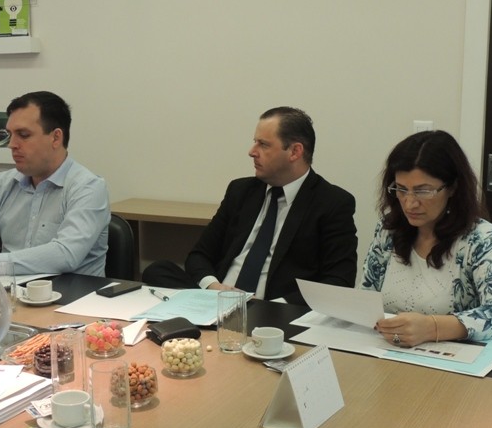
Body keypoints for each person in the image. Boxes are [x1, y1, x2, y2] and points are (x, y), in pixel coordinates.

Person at [143, 106, 358, 304]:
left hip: (274, 310)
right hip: (218, 300)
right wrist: (214, 288)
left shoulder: (332, 203)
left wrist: (274, 307)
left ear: (295, 152)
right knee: (158, 270)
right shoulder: (241, 191)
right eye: (255, 142)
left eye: (263, 144)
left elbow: (339, 281)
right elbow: (199, 255)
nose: (252, 151)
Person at [363, 130, 492, 347]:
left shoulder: (481, 239)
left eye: (423, 191)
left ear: (452, 188)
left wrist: (431, 328)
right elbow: (367, 296)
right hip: (386, 351)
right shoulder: (389, 230)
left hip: (451, 360)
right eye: (401, 189)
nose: (409, 203)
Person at [0, 91, 110, 277]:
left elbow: (65, 255)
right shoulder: (0, 184)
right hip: (10, 291)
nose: (11, 144)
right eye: (10, 134)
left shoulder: (88, 187)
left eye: (23, 135)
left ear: (56, 138)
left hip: (71, 293)